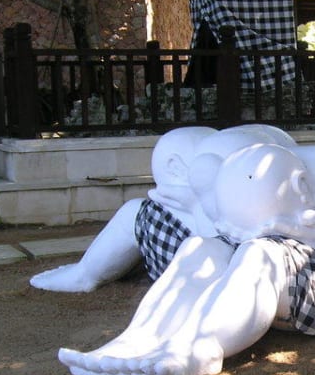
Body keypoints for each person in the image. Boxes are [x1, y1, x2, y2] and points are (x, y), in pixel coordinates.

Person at [56, 141, 315, 375]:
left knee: (262, 253)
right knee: (200, 246)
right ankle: (139, 338)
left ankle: (200, 350)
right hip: (280, 294)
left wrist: (309, 233)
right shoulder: (238, 173)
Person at [30, 124, 296, 292]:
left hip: (231, 274)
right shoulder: (269, 157)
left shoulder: (210, 189)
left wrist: (197, 204)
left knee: (134, 211)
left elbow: (221, 241)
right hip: (286, 261)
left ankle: (85, 274)